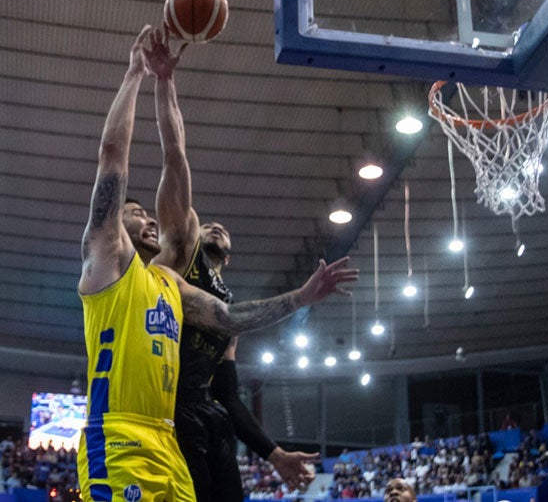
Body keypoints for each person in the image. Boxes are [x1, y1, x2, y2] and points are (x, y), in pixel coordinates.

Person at [77, 25, 358, 502]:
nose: (146, 217)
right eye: (134, 213)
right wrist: (134, 75)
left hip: (168, 445)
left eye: (148, 214)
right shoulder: (106, 264)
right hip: (119, 438)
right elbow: (112, 159)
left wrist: (303, 297)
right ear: (115, 229)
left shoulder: (168, 282)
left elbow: (230, 318)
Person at [141, 26, 318, 502]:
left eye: (225, 231)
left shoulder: (228, 306)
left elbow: (229, 395)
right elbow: (175, 156)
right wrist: (164, 82)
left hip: (208, 415)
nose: (216, 227)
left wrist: (273, 452)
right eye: (210, 225)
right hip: (166, 412)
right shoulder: (180, 247)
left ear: (232, 254)